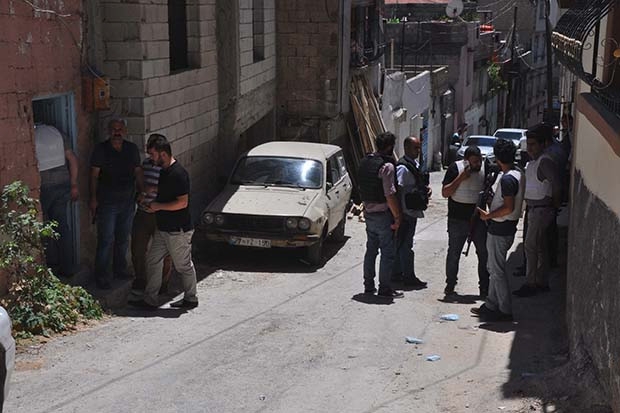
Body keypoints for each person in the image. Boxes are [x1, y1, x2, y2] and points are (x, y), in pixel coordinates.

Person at [130, 135, 199, 309]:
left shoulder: (179, 173)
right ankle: (150, 299)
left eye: (152, 154)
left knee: (182, 265)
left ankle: (191, 298)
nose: (150, 158)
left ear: (162, 154)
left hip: (178, 230)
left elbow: (182, 203)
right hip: (164, 228)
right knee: (153, 260)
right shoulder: (164, 172)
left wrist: (158, 206)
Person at [471, 139, 524, 321]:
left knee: (497, 270)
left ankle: (504, 309)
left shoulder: (509, 178)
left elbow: (508, 207)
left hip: (501, 227)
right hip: (503, 226)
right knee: (493, 267)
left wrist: (488, 215)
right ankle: (492, 304)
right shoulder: (515, 173)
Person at [90, 118, 144, 290]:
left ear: (125, 131)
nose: (117, 132)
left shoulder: (131, 149)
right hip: (107, 202)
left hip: (128, 201)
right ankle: (102, 276)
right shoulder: (101, 149)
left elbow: (138, 171)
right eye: (114, 129)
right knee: (106, 240)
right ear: (108, 131)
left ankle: (120, 270)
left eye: (120, 129)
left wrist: (141, 191)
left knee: (122, 238)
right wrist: (93, 198)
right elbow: (94, 176)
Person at [512, 124, 560, 297]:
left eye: (533, 144)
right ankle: (540, 281)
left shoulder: (544, 161)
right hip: (534, 209)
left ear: (542, 144)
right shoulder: (533, 162)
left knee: (531, 246)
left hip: (541, 209)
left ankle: (532, 282)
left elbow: (556, 184)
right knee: (539, 247)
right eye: (529, 144)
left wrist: (554, 205)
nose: (530, 148)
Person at [357, 132, 404, 299]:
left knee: (371, 250)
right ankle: (384, 288)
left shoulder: (366, 162)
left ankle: (368, 286)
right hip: (383, 214)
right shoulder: (387, 166)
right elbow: (389, 194)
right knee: (387, 253)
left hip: (368, 212)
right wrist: (397, 217)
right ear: (390, 147)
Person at [441, 145, 490, 297]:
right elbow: (445, 192)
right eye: (475, 162)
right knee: (454, 253)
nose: (478, 165)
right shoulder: (455, 169)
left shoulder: (485, 169)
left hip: (478, 220)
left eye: (479, 161)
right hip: (457, 219)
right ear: (466, 161)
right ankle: (450, 285)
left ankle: (484, 288)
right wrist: (461, 178)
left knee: (483, 254)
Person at [34, 124, 79, 277]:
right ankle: (67, 268)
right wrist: (74, 184)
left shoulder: (32, 134)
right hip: (62, 185)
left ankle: (48, 269)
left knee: (42, 228)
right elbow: (72, 159)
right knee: (62, 228)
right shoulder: (58, 133)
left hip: (43, 187)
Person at [130, 134, 173, 293]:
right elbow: (139, 184)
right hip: (143, 212)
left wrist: (153, 190)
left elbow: (175, 190)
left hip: (161, 214)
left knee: (165, 252)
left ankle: (163, 284)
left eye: (152, 151)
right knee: (138, 248)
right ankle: (140, 279)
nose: (149, 154)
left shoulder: (169, 167)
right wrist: (141, 193)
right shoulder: (145, 164)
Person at [392, 136, 429, 289]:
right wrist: (398, 214)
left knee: (403, 244)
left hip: (412, 212)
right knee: (406, 246)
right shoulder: (402, 167)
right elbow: (398, 190)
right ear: (407, 148)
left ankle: (398, 273)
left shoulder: (414, 165)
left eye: (419, 148)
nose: (418, 151)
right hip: (405, 213)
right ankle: (407, 276)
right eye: (416, 148)